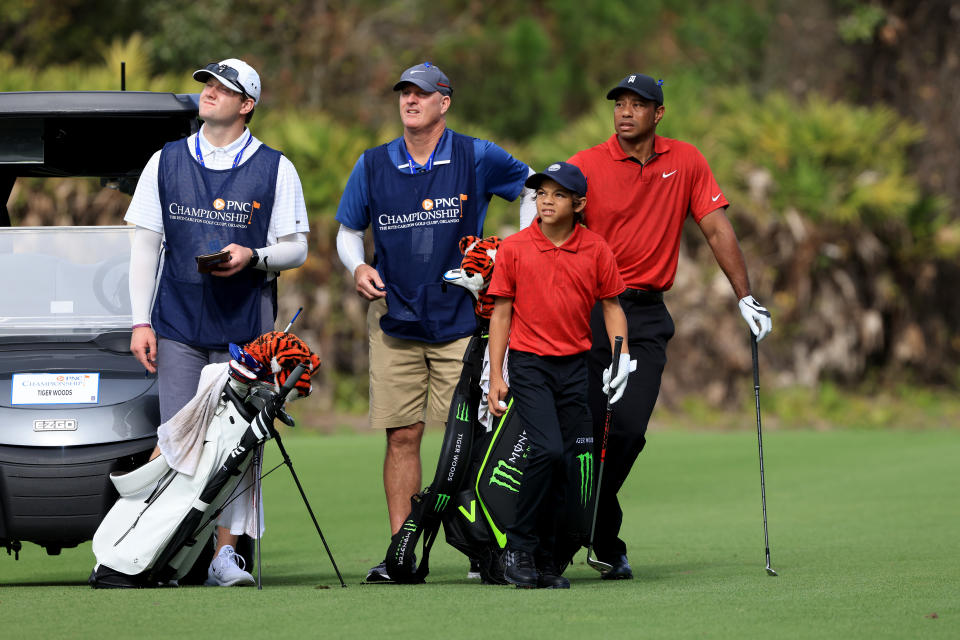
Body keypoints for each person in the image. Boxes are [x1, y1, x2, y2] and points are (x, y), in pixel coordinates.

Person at [334, 62, 535, 582]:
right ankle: (403, 551)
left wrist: (513, 255)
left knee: (469, 436)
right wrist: (356, 265)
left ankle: (478, 547)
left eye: (421, 93)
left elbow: (536, 189)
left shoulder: (476, 155)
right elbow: (348, 230)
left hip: (463, 322)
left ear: (444, 102)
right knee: (402, 436)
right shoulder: (374, 163)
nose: (410, 100)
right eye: (404, 92)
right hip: (395, 319)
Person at [568, 73, 773, 580]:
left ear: (659, 114)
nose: (625, 112)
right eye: (620, 103)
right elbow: (549, 231)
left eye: (639, 104)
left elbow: (717, 226)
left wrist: (744, 294)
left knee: (629, 432)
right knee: (586, 435)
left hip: (646, 315)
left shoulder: (685, 161)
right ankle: (600, 538)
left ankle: (584, 526)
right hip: (589, 311)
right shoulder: (584, 166)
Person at [125, 58, 310, 586]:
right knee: (175, 438)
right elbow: (145, 244)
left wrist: (252, 255)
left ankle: (225, 556)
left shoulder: (277, 167)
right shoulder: (165, 160)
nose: (209, 92)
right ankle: (157, 545)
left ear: (246, 104)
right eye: (207, 84)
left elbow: (296, 248)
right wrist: (141, 322)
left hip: (246, 329)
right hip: (177, 323)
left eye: (223, 87)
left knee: (237, 443)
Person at [487, 162, 631, 589]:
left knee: (568, 464)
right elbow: (501, 312)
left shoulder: (596, 249)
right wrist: (497, 373)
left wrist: (620, 358)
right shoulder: (514, 248)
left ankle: (546, 560)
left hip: (575, 367)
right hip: (530, 364)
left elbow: (612, 306)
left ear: (579, 203)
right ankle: (518, 548)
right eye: (541, 193)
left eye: (557, 194)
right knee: (548, 451)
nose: (546, 201)